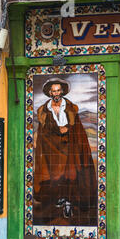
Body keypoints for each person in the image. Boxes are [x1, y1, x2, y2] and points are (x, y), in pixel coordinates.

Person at [33, 77, 97, 226]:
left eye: (58, 90)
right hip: (52, 149)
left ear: (62, 92)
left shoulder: (70, 108)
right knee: (54, 176)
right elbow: (42, 132)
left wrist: (68, 129)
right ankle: (58, 201)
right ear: (50, 92)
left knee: (71, 174)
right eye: (53, 91)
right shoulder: (44, 110)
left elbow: (78, 131)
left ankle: (69, 202)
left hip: (69, 148)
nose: (56, 93)